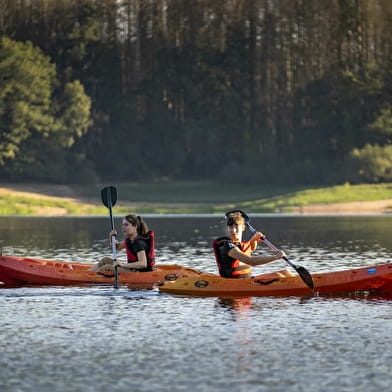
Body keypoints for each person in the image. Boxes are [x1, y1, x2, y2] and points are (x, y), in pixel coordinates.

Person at [213, 211, 286, 278]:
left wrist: (254, 239)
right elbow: (251, 261)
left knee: (285, 273)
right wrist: (275, 257)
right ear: (227, 228)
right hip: (234, 283)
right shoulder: (228, 246)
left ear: (242, 227)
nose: (233, 230)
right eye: (230, 227)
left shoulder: (239, 244)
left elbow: (250, 248)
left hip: (247, 281)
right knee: (278, 276)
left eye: (236, 226)